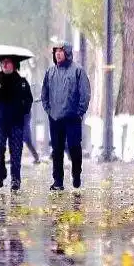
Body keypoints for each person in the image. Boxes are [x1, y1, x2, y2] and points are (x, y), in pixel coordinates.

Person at [41, 42, 91, 191]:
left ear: (67, 53)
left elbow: (85, 93)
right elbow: (44, 93)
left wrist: (79, 112)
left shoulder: (77, 71)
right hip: (55, 118)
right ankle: (58, 181)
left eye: (61, 51)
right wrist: (49, 110)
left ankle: (76, 174)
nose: (58, 54)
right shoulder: (50, 72)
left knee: (74, 147)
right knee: (57, 150)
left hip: (72, 118)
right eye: (56, 51)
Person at [0, 58, 34, 191]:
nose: (4, 65)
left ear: (14, 65)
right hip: (0, 121)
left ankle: (15, 179)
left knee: (16, 151)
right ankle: (0, 172)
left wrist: (23, 109)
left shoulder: (22, 82)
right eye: (2, 62)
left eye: (7, 62)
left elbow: (29, 99)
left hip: (16, 122)